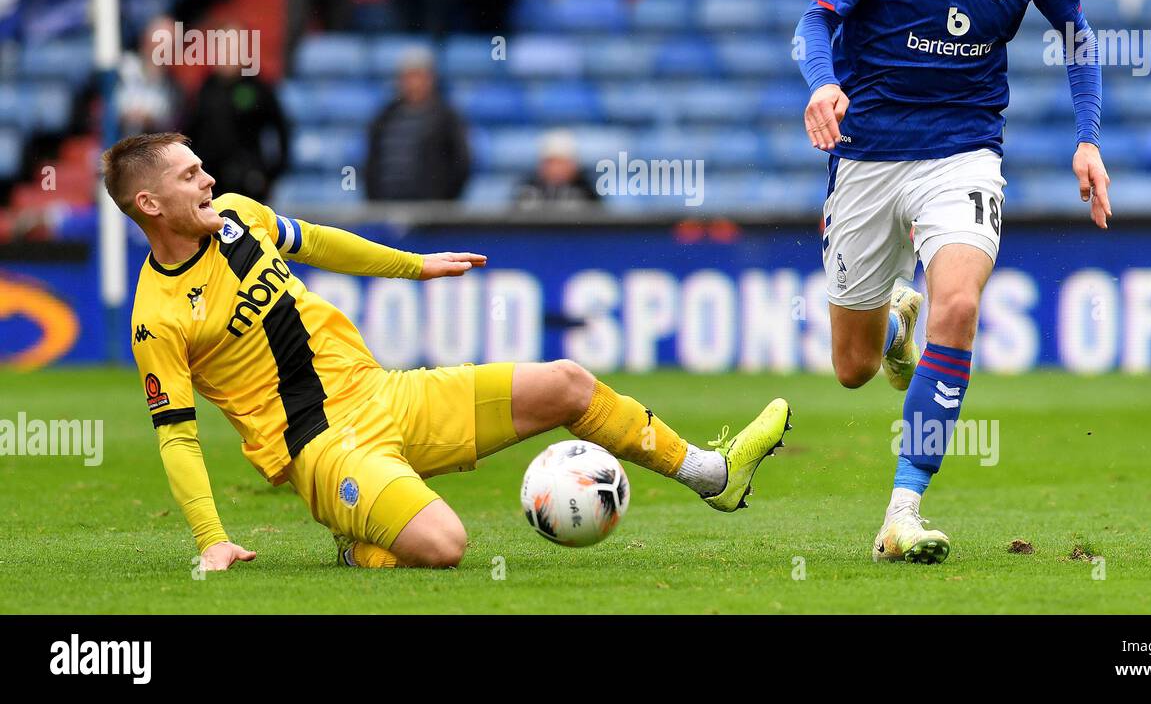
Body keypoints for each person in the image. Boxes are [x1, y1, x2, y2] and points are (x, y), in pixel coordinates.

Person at [102, 132, 791, 570]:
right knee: (445, 546)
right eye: (190, 175)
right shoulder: (155, 319)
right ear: (150, 203)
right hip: (322, 445)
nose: (208, 181)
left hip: (386, 394)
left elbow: (317, 241)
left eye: (203, 169)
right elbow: (178, 439)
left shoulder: (240, 219)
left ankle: (712, 475)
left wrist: (413, 265)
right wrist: (211, 539)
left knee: (568, 384)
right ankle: (359, 538)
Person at [794, 0, 1109, 564]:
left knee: (960, 302)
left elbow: (1078, 37)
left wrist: (1087, 139)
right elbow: (817, 20)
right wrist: (821, 83)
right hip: (866, 155)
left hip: (963, 151)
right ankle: (896, 320)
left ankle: (904, 508)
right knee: (853, 368)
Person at [183, 24, 290, 203]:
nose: (227, 55)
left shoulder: (258, 87)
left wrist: (270, 174)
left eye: (233, 49)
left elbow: (282, 130)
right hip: (210, 184)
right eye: (222, 48)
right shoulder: (205, 89)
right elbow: (189, 133)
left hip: (248, 185)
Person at [364, 48, 470, 201]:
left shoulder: (447, 118)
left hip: (430, 212)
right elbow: (372, 161)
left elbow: (461, 163)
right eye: (407, 77)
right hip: (387, 208)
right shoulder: (385, 117)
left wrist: (442, 203)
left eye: (418, 76)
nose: (413, 83)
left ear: (430, 78)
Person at [514, 129, 601, 208]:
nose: (555, 168)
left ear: (573, 165)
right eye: (550, 162)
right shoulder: (528, 189)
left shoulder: (586, 190)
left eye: (560, 162)